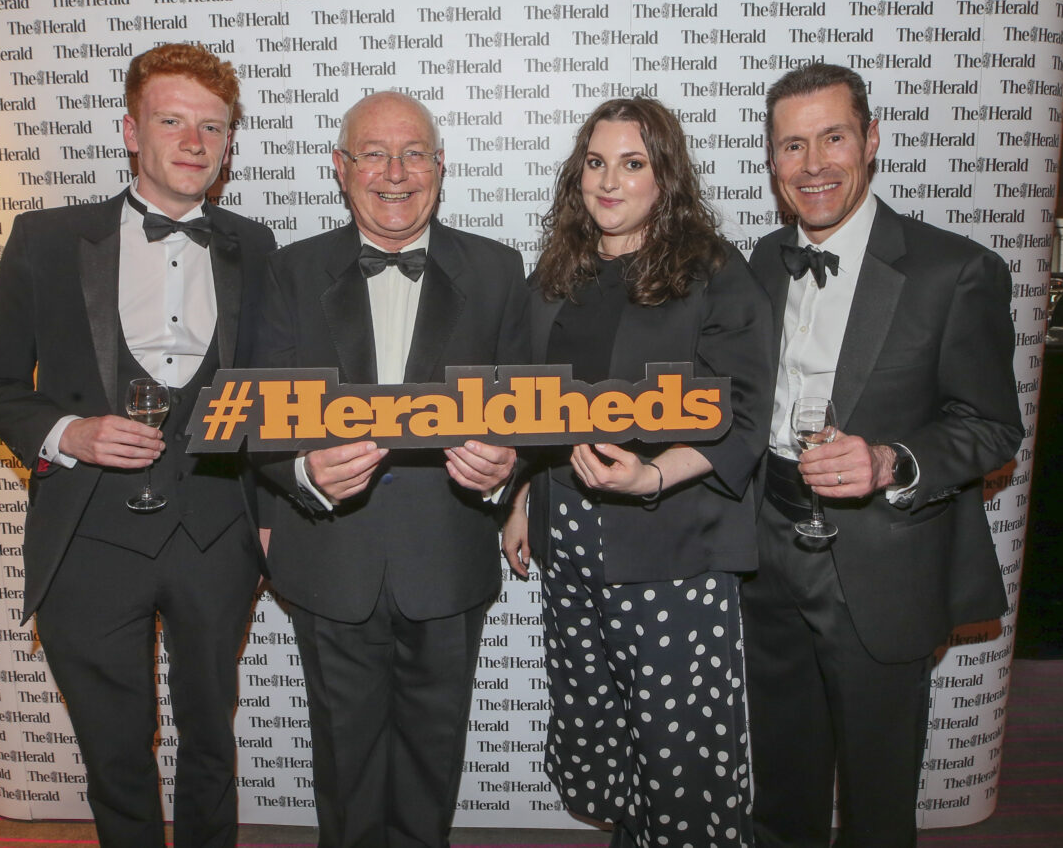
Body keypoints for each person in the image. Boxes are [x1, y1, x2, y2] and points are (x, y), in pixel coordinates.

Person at [0, 43, 276, 848]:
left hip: (214, 535)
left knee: (212, 740)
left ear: (230, 142)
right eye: (173, 122)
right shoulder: (46, 239)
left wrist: (272, 514)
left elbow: (279, 398)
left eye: (214, 127)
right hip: (89, 539)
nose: (195, 143)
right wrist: (71, 433)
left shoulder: (257, 247)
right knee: (114, 750)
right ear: (131, 131)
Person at [740, 62, 1024, 848]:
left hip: (881, 565)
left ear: (871, 139)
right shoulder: (759, 262)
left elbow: (994, 426)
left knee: (877, 802)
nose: (815, 164)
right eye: (792, 146)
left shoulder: (955, 270)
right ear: (772, 162)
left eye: (834, 137)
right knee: (783, 787)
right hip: (767, 557)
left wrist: (891, 461)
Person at [252, 90, 530, 847]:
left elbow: (534, 414)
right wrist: (303, 476)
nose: (395, 172)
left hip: (447, 562)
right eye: (373, 153)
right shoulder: (287, 272)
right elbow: (254, 416)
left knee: (432, 764)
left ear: (441, 167)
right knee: (344, 770)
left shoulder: (501, 270)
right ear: (340, 169)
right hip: (330, 561)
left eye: (414, 153)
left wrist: (507, 476)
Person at [501, 96, 773, 848]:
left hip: (671, 540)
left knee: (680, 744)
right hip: (572, 536)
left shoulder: (713, 272)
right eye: (596, 163)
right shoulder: (556, 272)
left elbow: (745, 412)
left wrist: (651, 478)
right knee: (604, 720)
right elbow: (530, 401)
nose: (609, 182)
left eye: (632, 163)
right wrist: (524, 493)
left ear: (666, 177)